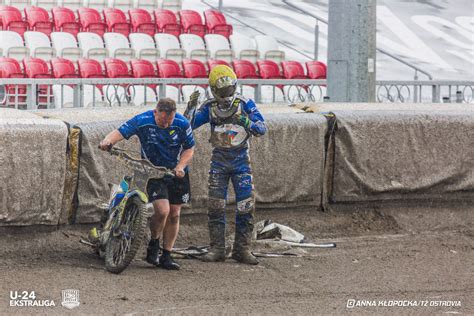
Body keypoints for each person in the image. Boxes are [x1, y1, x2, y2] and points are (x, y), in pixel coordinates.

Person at [99, 98, 195, 270]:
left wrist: (181, 166)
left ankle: (166, 255)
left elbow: (189, 148)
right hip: (152, 171)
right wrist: (108, 141)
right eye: (162, 120)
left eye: (169, 121)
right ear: (155, 113)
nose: (165, 124)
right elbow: (121, 131)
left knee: (175, 214)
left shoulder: (182, 123)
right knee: (162, 210)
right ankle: (154, 242)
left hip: (176, 173)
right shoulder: (143, 120)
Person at [184, 65, 267, 265]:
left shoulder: (245, 103)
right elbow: (187, 125)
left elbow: (262, 128)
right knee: (215, 206)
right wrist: (190, 108)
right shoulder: (209, 106)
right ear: (213, 90)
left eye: (228, 89)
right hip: (219, 160)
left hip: (241, 161)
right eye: (222, 91)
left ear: (235, 86)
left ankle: (242, 248)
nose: (226, 95)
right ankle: (217, 248)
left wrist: (246, 122)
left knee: (245, 205)